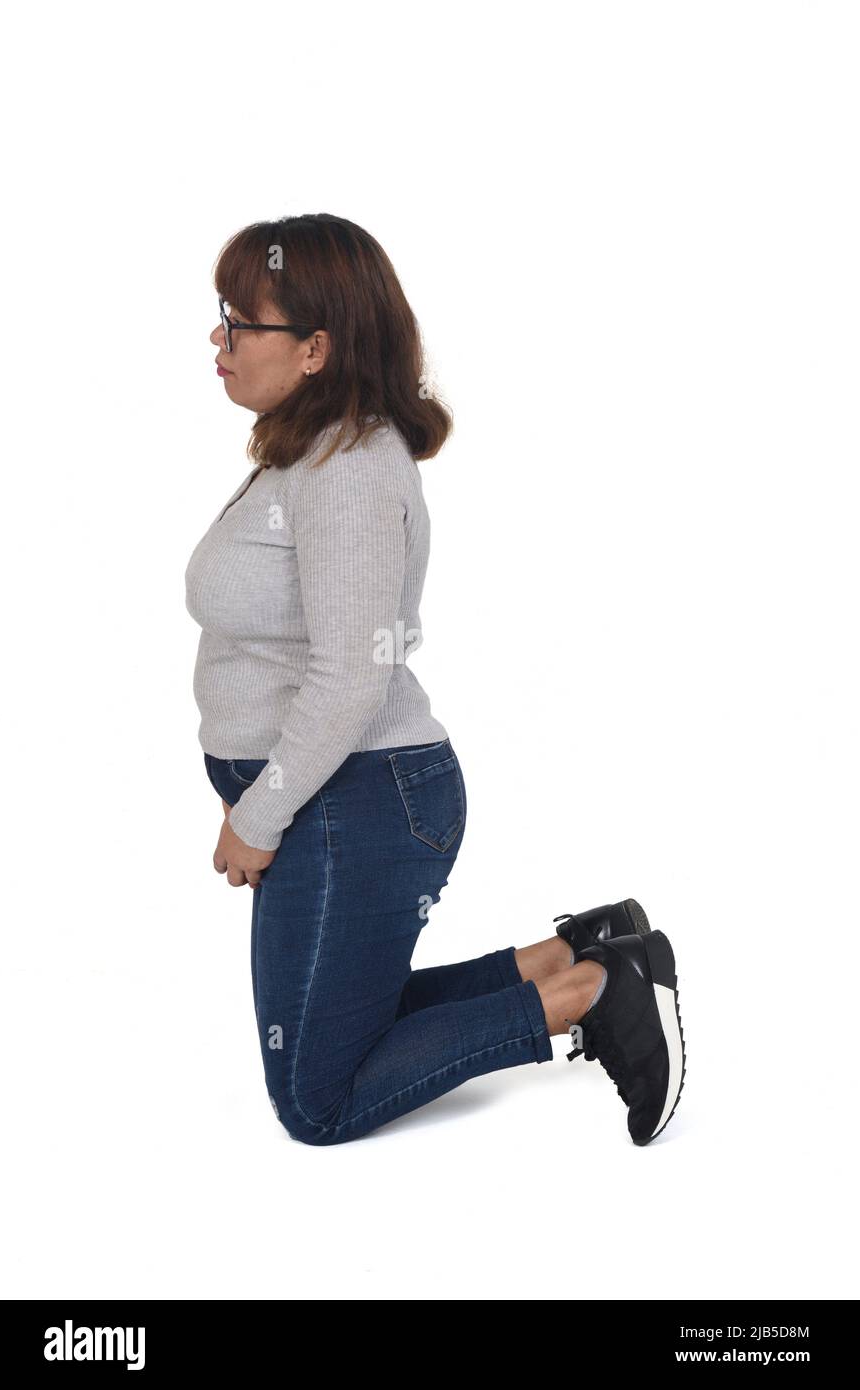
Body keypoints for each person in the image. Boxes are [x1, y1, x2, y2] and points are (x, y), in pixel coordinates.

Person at [184, 213, 686, 1148]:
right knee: (353, 1015)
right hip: (333, 801)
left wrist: (255, 818)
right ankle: (583, 948)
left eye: (240, 321)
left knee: (317, 1099)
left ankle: (594, 994)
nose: (219, 339)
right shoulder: (308, 453)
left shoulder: (345, 472)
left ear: (315, 349)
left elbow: (349, 679)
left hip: (354, 803)